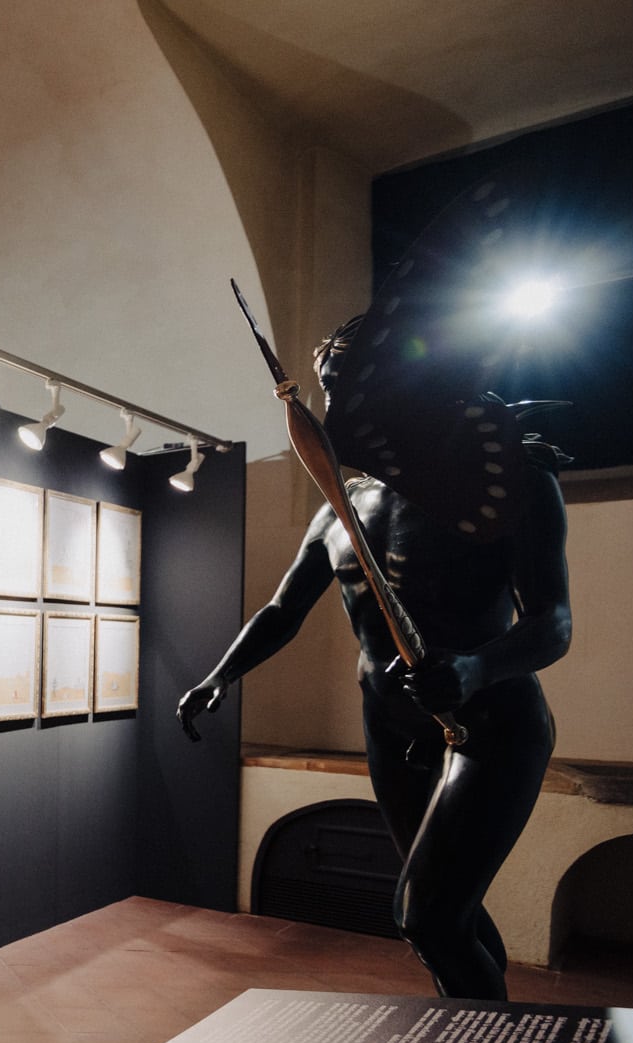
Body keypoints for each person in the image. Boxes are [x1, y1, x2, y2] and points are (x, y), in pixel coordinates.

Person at [177, 318, 573, 1000]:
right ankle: (477, 1026)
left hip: (491, 725)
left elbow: (553, 624)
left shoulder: (505, 483)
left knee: (424, 916)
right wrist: (221, 676)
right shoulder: (343, 505)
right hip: (391, 729)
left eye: (353, 388)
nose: (337, 409)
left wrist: (473, 669)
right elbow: (283, 610)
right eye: (330, 390)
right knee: (447, 911)